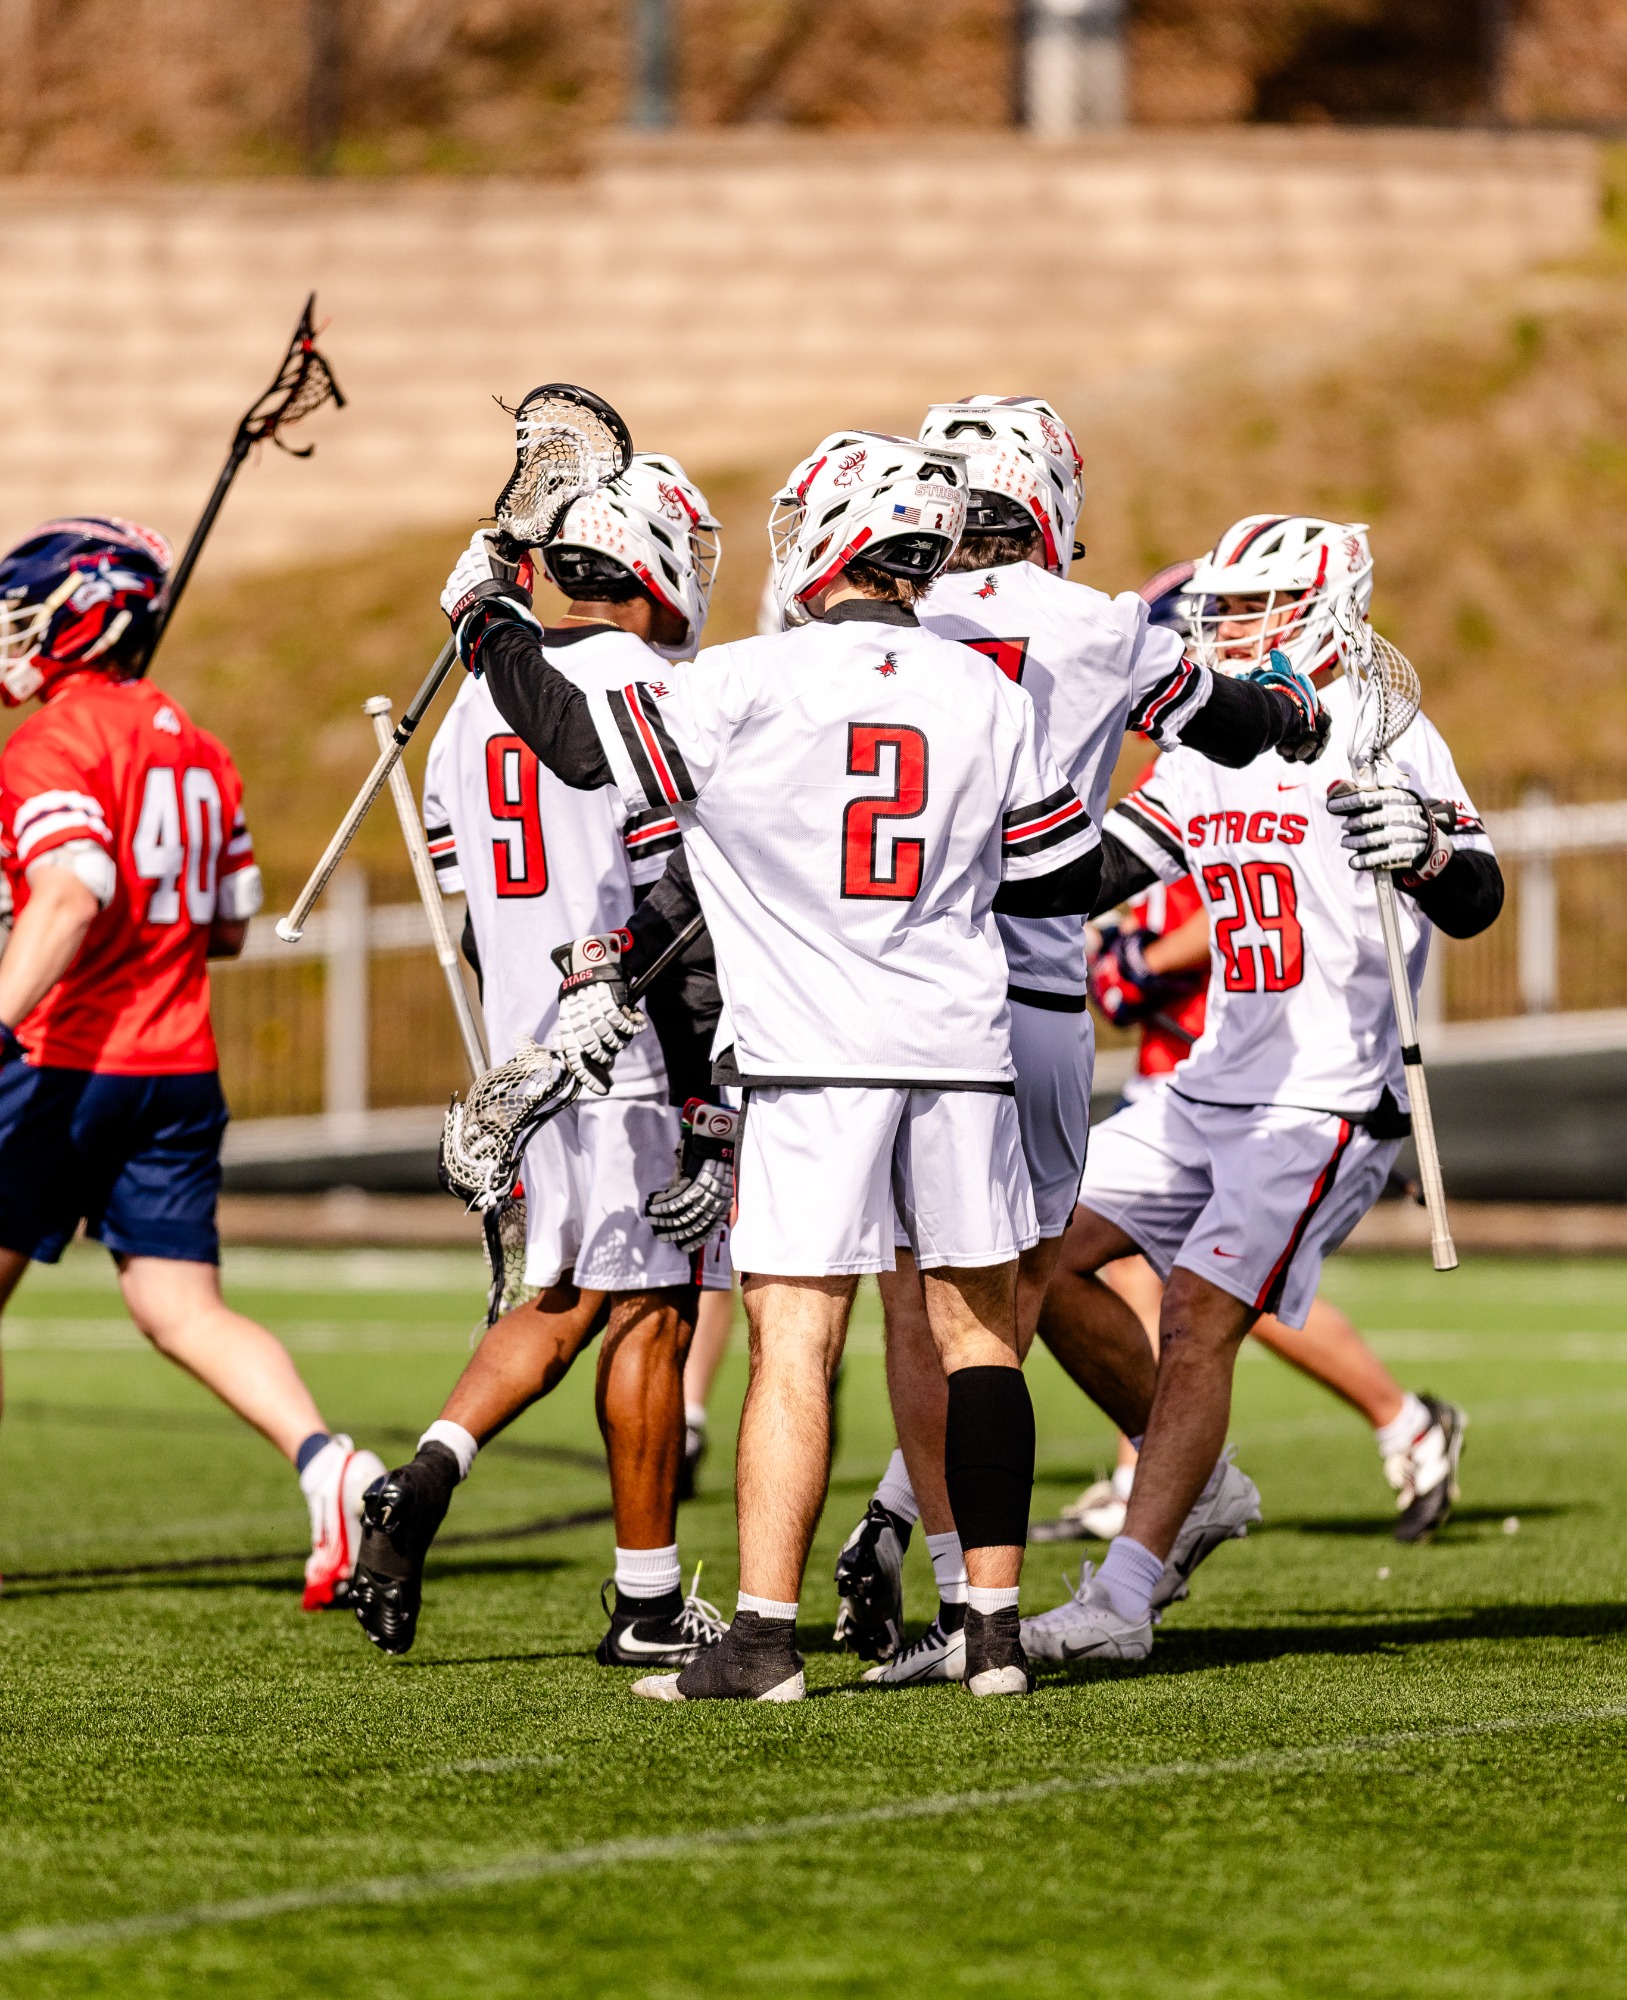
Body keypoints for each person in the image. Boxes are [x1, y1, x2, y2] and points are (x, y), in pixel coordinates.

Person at [441, 425, 1112, 1702]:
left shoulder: (746, 679)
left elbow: (575, 742)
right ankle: (993, 1635)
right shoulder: (984, 690)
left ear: (834, 536)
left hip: (811, 1057)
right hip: (960, 1047)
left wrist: (486, 622)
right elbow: (1057, 874)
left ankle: (758, 1643)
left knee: (794, 1342)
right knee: (977, 1337)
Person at [826, 401, 1332, 1686]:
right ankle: (1012, 1589)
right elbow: (1235, 726)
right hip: (1040, 1002)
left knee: (918, 1296)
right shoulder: (1101, 624)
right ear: (1048, 502)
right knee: (1014, 1294)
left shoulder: (873, 630)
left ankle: (958, 1588)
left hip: (890, 992)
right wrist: (1286, 700)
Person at [1019, 513, 1499, 1667]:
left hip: (1324, 1093)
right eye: (1222, 606)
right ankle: (1193, 1479)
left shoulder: (1386, 730)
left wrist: (1426, 851)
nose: (1223, 624)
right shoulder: (1213, 743)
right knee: (1036, 1250)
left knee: (1196, 1312)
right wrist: (987, 860)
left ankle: (1125, 1593)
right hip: (1210, 1078)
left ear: (1324, 606)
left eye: (1247, 605)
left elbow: (1475, 896)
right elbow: (1102, 870)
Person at [349, 456, 728, 1667]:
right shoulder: (648, 688)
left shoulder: (474, 703)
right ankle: (646, 1602)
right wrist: (706, 1100)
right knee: (654, 1314)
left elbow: (470, 915)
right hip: (631, 1047)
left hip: (525, 1057)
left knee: (558, 1298)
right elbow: (680, 905)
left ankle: (425, 1472)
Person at [0, 516, 383, 1609]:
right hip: (176, 1064)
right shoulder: (202, 749)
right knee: (181, 1308)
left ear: (83, 620)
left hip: (64, 1059)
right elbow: (224, 927)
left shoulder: (50, 745)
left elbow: (73, 891)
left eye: (24, 616)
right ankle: (328, 1462)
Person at [1041, 808, 1466, 1547]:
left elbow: (1241, 899)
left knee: (1229, 1287)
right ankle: (1148, 1473)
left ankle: (1401, 1422)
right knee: (1129, 1269)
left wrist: (1144, 962)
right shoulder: (1161, 787)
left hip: (1231, 1074)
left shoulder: (1230, 770)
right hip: (1176, 1080)